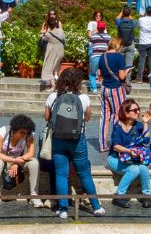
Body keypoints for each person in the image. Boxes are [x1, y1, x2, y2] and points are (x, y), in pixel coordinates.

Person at [45, 68, 104, 219]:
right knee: (84, 174)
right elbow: (87, 118)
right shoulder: (84, 98)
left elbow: (47, 117)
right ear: (78, 82)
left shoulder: (53, 96)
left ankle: (63, 209)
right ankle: (96, 207)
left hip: (58, 140)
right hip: (77, 140)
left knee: (61, 174)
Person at [108, 98, 151, 208]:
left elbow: (146, 141)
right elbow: (115, 147)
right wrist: (129, 151)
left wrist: (145, 123)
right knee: (134, 169)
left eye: (138, 109)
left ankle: (146, 196)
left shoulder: (137, 125)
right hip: (115, 158)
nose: (138, 112)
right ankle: (119, 196)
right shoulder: (117, 126)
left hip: (132, 158)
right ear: (126, 112)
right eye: (135, 110)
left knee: (143, 168)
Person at [0, 114, 40, 208]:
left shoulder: (29, 135)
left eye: (26, 133)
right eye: (22, 132)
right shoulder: (3, 131)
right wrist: (14, 160)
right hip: (0, 158)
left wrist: (16, 162)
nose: (24, 135)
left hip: (19, 159)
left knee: (34, 163)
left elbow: (30, 153)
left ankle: (34, 195)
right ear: (15, 129)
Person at [97, 36, 129, 152]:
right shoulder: (119, 57)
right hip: (116, 88)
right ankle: (116, 143)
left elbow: (99, 73)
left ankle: (102, 144)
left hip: (104, 88)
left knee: (104, 116)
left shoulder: (102, 56)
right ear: (117, 45)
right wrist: (127, 71)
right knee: (118, 115)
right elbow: (121, 76)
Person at [135, 7, 151, 84]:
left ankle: (139, 78)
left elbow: (138, 27)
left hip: (142, 42)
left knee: (141, 60)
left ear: (146, 11)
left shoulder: (141, 19)